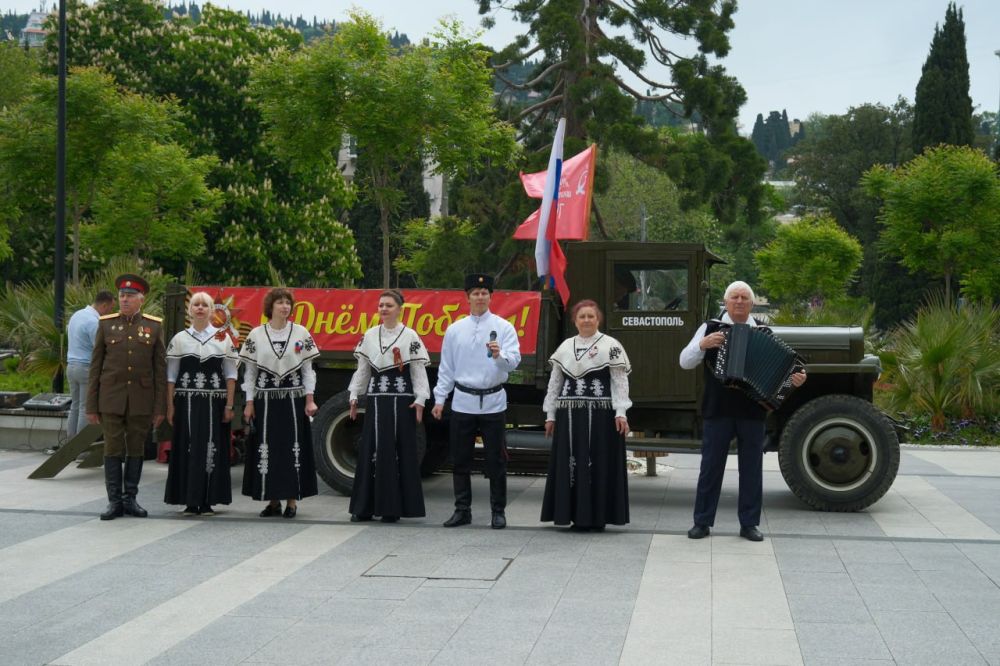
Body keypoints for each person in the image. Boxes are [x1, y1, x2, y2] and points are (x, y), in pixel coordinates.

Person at [679, 281, 807, 542]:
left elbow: (780, 377)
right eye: (734, 297)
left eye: (744, 298)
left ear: (751, 304)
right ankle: (702, 522)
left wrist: (794, 381)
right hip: (718, 409)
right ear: (726, 302)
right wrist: (702, 344)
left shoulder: (764, 332)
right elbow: (684, 362)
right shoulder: (710, 327)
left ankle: (749, 524)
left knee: (752, 469)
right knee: (710, 468)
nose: (739, 301)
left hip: (752, 412)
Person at [431, 273, 521, 529]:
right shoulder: (455, 329)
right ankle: (462, 509)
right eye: (475, 293)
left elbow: (513, 363)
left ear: (491, 296)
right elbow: (447, 368)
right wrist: (439, 399)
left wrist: (499, 355)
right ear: (467, 297)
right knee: (460, 459)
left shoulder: (504, 327)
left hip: (493, 401)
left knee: (496, 460)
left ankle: (498, 510)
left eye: (484, 293)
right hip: (463, 401)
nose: (480, 297)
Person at [540, 300, 632, 531]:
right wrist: (550, 415)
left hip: (601, 417)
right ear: (575, 321)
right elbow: (555, 383)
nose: (587, 320)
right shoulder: (565, 347)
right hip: (569, 415)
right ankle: (574, 516)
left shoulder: (611, 345)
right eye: (582, 316)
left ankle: (598, 517)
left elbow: (619, 381)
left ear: (598, 319)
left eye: (591, 316)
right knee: (572, 463)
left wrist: (621, 412)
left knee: (598, 462)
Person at [86, 274, 166, 521]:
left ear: (141, 299)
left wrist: (160, 407)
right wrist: (91, 404)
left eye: (130, 296)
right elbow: (95, 366)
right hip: (111, 397)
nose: (124, 300)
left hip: (141, 399)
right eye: (122, 296)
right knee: (112, 448)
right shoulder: (106, 324)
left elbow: (160, 370)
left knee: (136, 448)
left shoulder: (154, 326)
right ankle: (114, 502)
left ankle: (131, 498)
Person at [347, 289, 429, 523]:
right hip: (376, 402)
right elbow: (362, 369)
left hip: (401, 403)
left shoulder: (409, 335)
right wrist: (354, 394)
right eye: (381, 305)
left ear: (399, 308)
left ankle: (392, 508)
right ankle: (365, 507)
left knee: (396, 450)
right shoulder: (370, 335)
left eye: (389, 305)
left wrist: (421, 398)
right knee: (371, 449)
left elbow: (418, 370)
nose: (384, 309)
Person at [240, 288, 319, 518]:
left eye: (288, 303)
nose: (285, 307)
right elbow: (250, 373)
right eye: (280, 302)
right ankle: (273, 501)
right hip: (265, 403)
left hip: (293, 401)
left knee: (291, 449)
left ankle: (291, 502)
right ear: (270, 306)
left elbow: (308, 370)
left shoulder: (301, 332)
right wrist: (249, 402)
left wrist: (310, 399)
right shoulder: (256, 334)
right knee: (269, 449)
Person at [164, 292, 238, 516]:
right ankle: (189, 499)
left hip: (214, 404)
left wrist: (229, 406)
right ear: (189, 310)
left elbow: (231, 375)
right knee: (187, 446)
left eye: (204, 305)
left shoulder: (223, 338)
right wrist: (170, 406)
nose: (199, 308)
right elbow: (171, 376)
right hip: (186, 403)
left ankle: (208, 500)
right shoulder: (180, 339)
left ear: (211, 310)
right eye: (195, 304)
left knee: (211, 447)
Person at [65, 291, 114, 440]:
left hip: (71, 366)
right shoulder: (94, 322)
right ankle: (81, 449)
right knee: (85, 408)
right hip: (86, 368)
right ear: (104, 305)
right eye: (111, 308)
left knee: (75, 406)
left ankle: (69, 445)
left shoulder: (77, 315)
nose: (111, 312)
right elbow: (100, 348)